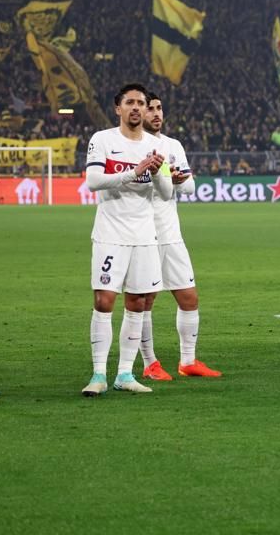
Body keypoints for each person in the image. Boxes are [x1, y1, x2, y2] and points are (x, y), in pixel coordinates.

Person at [81, 83, 176, 397]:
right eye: (130, 102)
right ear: (118, 108)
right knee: (104, 301)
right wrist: (133, 172)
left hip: (144, 236)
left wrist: (160, 171)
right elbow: (93, 181)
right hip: (110, 234)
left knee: (137, 303)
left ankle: (124, 373)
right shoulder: (103, 140)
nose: (137, 108)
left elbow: (165, 194)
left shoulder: (154, 146)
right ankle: (97, 374)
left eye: (142, 103)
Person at [137, 93, 222, 380]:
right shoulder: (133, 146)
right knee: (145, 300)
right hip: (144, 234)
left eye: (159, 108)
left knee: (189, 297)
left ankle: (188, 361)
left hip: (171, 233)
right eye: (150, 109)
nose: (156, 113)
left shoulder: (173, 145)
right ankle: (150, 363)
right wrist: (161, 181)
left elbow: (189, 187)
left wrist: (175, 180)